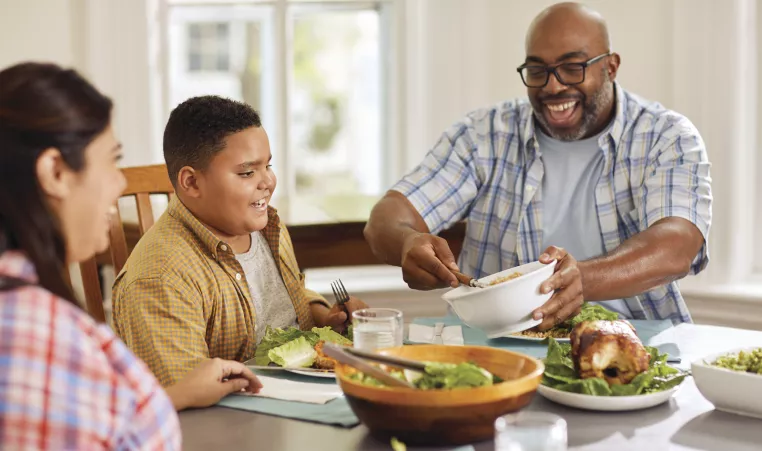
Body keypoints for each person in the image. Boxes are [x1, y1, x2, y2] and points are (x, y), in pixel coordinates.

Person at [364, 2, 712, 331]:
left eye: (572, 67)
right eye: (537, 70)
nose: (553, 85)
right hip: (499, 348)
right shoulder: (483, 134)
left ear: (611, 66)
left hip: (634, 343)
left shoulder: (666, 136)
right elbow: (387, 218)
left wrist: (581, 279)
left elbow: (677, 246)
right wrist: (407, 241)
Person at [0, 62, 262, 450]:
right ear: (55, 171)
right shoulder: (35, 333)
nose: (121, 183)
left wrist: (178, 394)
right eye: (112, 160)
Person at [112, 95, 368, 386]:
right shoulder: (160, 277)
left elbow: (280, 299)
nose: (267, 182)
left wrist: (324, 316)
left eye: (267, 166)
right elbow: (186, 398)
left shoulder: (267, 227)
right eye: (247, 172)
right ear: (191, 182)